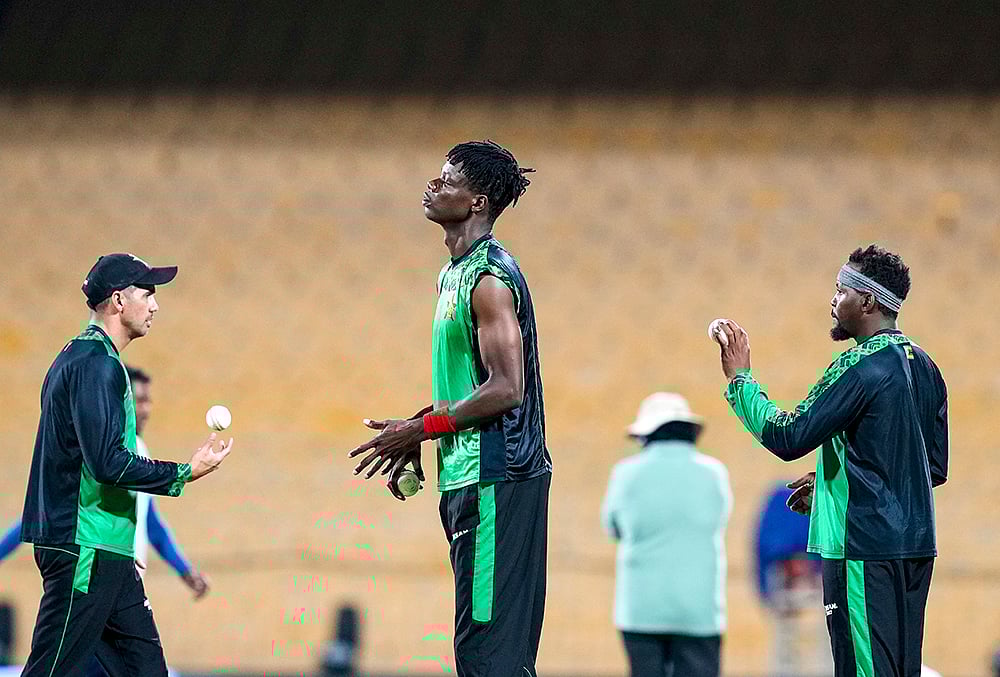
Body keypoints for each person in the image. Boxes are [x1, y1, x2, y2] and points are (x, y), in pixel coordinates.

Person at [349, 140, 551, 677]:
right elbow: (469, 386)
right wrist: (419, 431)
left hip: (499, 478)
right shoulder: (451, 274)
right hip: (467, 477)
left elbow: (509, 388)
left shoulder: (488, 279)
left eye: (447, 180)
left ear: (478, 202)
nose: (433, 186)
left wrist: (425, 427)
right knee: (484, 652)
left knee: (489, 658)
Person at [716, 244, 948, 677]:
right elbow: (930, 466)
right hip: (915, 547)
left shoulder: (860, 367)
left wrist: (740, 380)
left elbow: (788, 435)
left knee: (863, 670)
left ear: (868, 301)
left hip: (861, 549)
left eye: (841, 291)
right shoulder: (927, 366)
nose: (833, 301)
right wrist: (829, 482)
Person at [20, 253, 234, 676]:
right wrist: (183, 472)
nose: (155, 305)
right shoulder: (94, 364)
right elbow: (106, 463)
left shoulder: (86, 359)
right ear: (118, 300)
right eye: (147, 293)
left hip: (108, 551)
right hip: (85, 547)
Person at [1, 366, 210, 596]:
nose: (146, 409)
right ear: (120, 400)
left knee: (134, 632)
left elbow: (151, 523)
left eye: (148, 401)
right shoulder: (103, 455)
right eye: (139, 400)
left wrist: (185, 571)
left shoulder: (139, 450)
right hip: (96, 578)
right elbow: (43, 514)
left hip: (123, 582)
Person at [601, 392, 731, 677]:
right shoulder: (714, 474)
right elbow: (721, 517)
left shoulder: (625, 474)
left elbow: (612, 527)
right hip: (699, 611)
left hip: (640, 611)